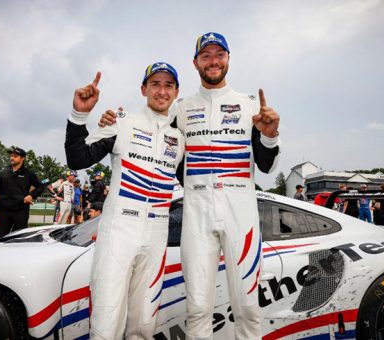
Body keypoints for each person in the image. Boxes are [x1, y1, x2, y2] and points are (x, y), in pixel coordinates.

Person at [100, 33, 281, 339]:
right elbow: (148, 129)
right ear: (195, 62)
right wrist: (110, 121)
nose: (213, 61)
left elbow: (267, 166)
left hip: (241, 212)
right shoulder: (180, 109)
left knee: (248, 306)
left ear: (228, 58)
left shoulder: (249, 104)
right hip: (196, 213)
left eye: (219, 54)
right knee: (197, 308)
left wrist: (269, 136)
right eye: (206, 55)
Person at [65, 63, 185, 339]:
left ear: (176, 91)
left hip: (157, 234)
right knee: (107, 325)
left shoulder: (180, 139)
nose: (162, 90)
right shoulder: (120, 122)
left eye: (168, 85)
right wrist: (79, 115)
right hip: (119, 231)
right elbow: (78, 158)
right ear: (143, 89)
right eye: (155, 84)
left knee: (144, 326)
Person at [0, 146, 44, 237]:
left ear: (22, 158)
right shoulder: (4, 171)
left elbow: (40, 186)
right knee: (0, 238)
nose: (12, 157)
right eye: (11, 155)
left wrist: (31, 196)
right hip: (4, 210)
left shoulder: (28, 173)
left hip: (21, 211)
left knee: (18, 238)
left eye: (15, 156)